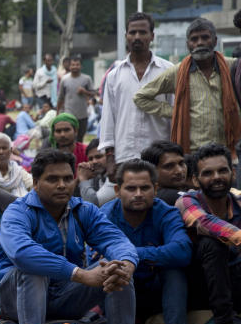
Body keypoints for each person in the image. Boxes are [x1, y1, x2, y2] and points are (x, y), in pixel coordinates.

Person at [0, 148, 138, 324]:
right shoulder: (18, 211)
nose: (62, 185)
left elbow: (116, 240)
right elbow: (21, 253)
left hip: (63, 294)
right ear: (36, 183)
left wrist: (127, 263)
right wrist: (81, 274)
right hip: (14, 298)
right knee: (33, 270)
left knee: (117, 272)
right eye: (53, 179)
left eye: (68, 178)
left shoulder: (82, 210)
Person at [101, 159, 191, 324]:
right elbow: (99, 261)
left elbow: (182, 251)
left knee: (174, 270)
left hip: (159, 291)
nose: (138, 193)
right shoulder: (104, 216)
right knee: (114, 273)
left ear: (155, 189)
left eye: (145, 187)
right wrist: (148, 256)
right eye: (131, 188)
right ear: (117, 190)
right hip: (119, 295)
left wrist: (131, 254)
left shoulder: (165, 213)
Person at [135, 18, 241, 152]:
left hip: (229, 150)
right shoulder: (178, 72)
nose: (200, 43)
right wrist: (176, 112)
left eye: (205, 37)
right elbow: (140, 97)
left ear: (215, 41)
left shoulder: (232, 67)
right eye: (194, 39)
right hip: (193, 152)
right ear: (188, 44)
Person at [175, 143, 241, 324]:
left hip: (232, 281)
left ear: (233, 173)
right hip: (200, 285)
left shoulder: (238, 201)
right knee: (212, 243)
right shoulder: (187, 201)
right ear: (195, 179)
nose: (217, 177)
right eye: (208, 173)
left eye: (223, 170)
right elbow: (204, 222)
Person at [99, 13, 174, 178]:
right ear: (126, 36)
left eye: (143, 32)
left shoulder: (169, 71)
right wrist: (110, 158)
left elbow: (174, 115)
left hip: (160, 157)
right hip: (125, 156)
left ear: (152, 36)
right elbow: (108, 119)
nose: (137, 37)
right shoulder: (114, 75)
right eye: (132, 33)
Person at [56, 56, 96, 137]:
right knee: (69, 137)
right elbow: (61, 97)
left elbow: (93, 93)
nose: (75, 67)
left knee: (80, 138)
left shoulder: (87, 79)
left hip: (82, 115)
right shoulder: (64, 79)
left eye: (77, 65)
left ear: (81, 66)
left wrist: (85, 91)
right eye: (73, 65)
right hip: (69, 114)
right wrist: (57, 113)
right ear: (69, 66)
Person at [141, 140, 189, 205]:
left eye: (181, 163)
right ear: (152, 171)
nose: (179, 171)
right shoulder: (168, 197)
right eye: (169, 166)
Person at [76, 139, 114, 206]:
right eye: (90, 159)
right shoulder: (95, 176)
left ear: (109, 156)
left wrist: (83, 179)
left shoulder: (114, 176)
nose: (94, 161)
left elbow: (92, 204)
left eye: (98, 157)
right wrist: (78, 178)